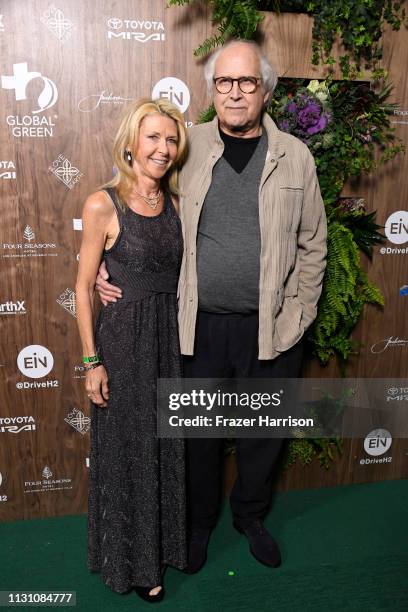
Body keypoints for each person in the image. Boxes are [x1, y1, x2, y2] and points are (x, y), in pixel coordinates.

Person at [96, 40, 327, 574]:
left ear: (265, 89)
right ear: (212, 89)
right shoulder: (189, 144)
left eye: (247, 82)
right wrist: (110, 255)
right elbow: (136, 189)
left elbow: (315, 241)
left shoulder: (296, 155)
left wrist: (300, 312)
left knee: (262, 436)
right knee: (197, 438)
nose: (235, 92)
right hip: (196, 328)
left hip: (272, 329)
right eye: (224, 82)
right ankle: (198, 526)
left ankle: (250, 516)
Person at [75, 98, 188, 602]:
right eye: (153, 138)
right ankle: (130, 561)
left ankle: (158, 549)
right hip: (122, 342)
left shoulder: (179, 203)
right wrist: (91, 361)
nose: (162, 149)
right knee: (128, 450)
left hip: (169, 340)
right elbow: (82, 288)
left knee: (163, 447)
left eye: (170, 139)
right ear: (131, 143)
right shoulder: (103, 203)